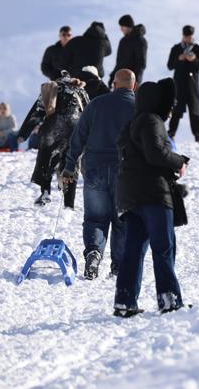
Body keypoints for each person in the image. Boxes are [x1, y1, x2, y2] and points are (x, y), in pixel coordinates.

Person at [114, 78, 190, 317]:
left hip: (130, 195)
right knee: (163, 247)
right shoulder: (152, 120)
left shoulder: (132, 123)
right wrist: (180, 162)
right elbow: (156, 153)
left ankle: (125, 301)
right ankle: (169, 299)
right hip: (154, 194)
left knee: (133, 249)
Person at [61, 69, 137, 279]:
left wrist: (69, 167)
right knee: (122, 220)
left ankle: (94, 254)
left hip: (94, 170)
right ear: (134, 85)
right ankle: (119, 266)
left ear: (114, 84)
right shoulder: (139, 108)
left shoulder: (96, 104)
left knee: (95, 219)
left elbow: (78, 138)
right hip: (127, 174)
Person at [17, 71, 89, 208]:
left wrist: (23, 134)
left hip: (52, 128)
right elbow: (89, 110)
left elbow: (37, 111)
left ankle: (45, 192)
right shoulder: (80, 90)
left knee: (45, 159)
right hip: (74, 129)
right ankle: (69, 203)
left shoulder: (51, 87)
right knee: (71, 163)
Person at [167, 25, 199, 142]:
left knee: (195, 111)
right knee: (176, 110)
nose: (188, 39)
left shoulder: (198, 49)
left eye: (189, 36)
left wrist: (194, 60)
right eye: (186, 36)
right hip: (179, 84)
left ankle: (197, 135)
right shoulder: (176, 49)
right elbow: (170, 66)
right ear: (183, 36)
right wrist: (179, 59)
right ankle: (171, 133)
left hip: (192, 86)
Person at [109, 14, 148, 88]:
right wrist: (112, 77)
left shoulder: (140, 40)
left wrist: (136, 81)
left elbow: (141, 63)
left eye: (122, 26)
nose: (121, 29)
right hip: (119, 80)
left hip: (131, 81)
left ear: (127, 26)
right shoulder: (123, 41)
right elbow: (119, 63)